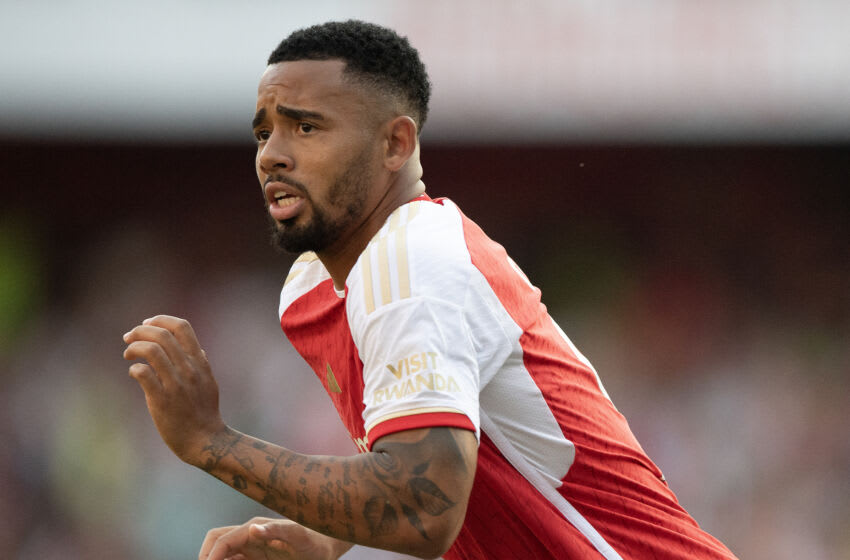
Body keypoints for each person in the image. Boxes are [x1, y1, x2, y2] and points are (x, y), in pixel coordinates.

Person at [122, 20, 737, 560]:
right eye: (264, 133)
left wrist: (211, 442)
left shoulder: (411, 261)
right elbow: (422, 447)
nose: (272, 156)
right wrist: (327, 534)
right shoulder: (316, 288)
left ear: (396, 143)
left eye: (306, 128)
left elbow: (421, 507)